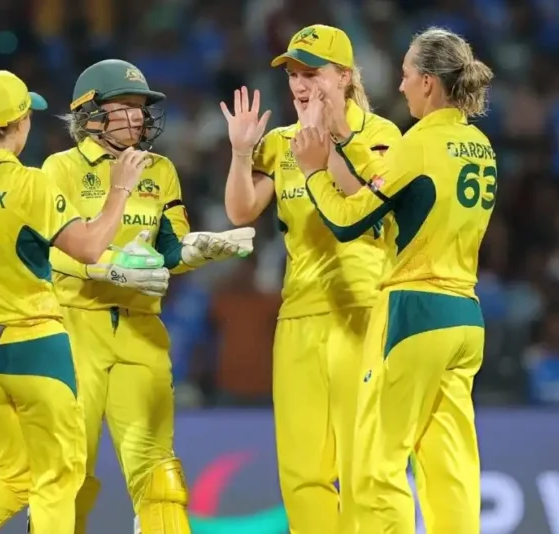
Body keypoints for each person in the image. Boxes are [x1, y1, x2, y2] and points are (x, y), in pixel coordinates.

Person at [0, 70, 153, 534]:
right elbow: (89, 248)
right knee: (55, 480)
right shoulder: (29, 184)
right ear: (21, 123)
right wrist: (120, 188)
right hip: (35, 346)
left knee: (6, 479)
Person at [294, 27, 496, 534]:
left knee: (375, 464)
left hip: (413, 310)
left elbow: (349, 221)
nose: (400, 86)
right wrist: (345, 142)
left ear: (427, 82)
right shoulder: (479, 146)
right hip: (464, 316)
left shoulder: (418, 142)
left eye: (406, 76)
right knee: (449, 466)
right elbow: (399, 200)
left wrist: (314, 171)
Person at [43, 58, 255, 534]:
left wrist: (198, 250)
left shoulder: (160, 170)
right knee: (66, 473)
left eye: (141, 107)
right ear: (89, 112)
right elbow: (50, 250)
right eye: (125, 106)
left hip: (142, 332)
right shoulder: (61, 168)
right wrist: (111, 269)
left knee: (160, 477)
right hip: (75, 327)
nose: (138, 117)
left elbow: (168, 251)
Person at [220, 24, 402, 534]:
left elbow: (366, 207)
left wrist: (327, 151)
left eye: (312, 73)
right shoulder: (281, 143)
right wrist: (241, 152)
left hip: (361, 311)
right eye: (294, 75)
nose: (300, 85)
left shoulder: (381, 135)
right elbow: (240, 211)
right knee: (302, 473)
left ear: (344, 77)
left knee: (364, 466)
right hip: (298, 316)